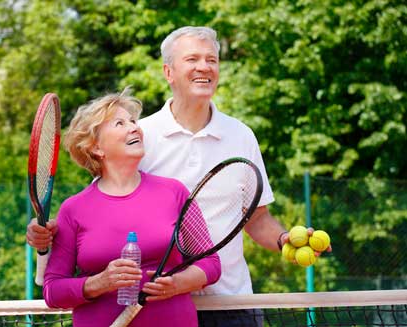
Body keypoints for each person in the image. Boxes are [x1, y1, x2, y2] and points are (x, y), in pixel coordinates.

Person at [28, 26, 331, 326]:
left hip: (232, 302)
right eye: (192, 59)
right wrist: (52, 235)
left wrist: (283, 239)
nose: (204, 67)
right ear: (168, 72)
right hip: (156, 308)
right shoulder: (139, 136)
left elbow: (256, 218)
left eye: (212, 60)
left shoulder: (241, 136)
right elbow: (106, 208)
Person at [41, 89, 221, 327]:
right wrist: (99, 282)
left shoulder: (174, 193)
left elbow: (210, 264)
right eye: (120, 123)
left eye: (133, 121)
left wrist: (177, 283)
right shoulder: (73, 208)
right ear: (96, 148)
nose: (134, 127)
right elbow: (53, 290)